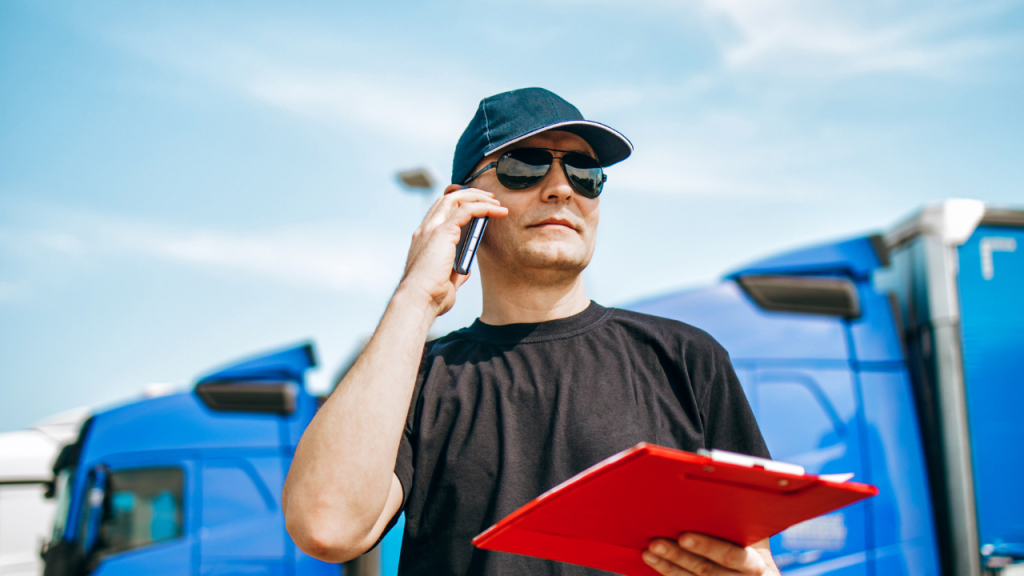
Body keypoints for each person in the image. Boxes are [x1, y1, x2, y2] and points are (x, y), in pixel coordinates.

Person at [282, 87, 780, 576]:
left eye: (585, 174)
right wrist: (416, 296)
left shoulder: (687, 359)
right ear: (462, 206)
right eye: (525, 167)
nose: (562, 187)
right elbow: (327, 527)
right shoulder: (414, 378)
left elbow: (752, 557)